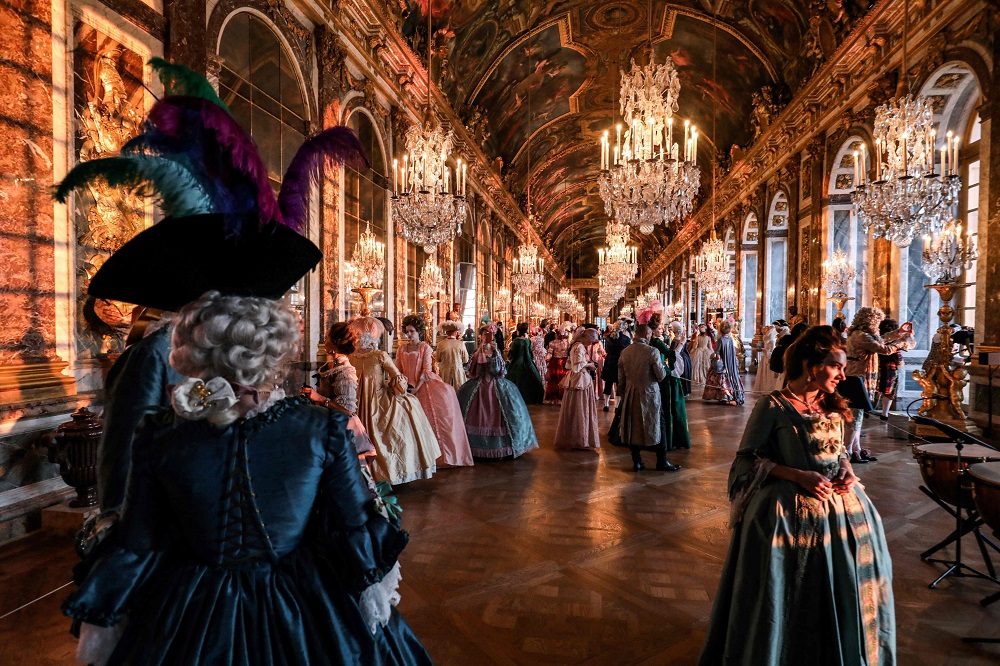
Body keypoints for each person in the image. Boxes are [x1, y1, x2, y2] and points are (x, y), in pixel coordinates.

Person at [63, 292, 431, 666]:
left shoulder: (160, 434)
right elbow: (354, 528)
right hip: (305, 606)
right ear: (274, 353)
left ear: (190, 351)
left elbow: (138, 541)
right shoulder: (322, 429)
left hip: (189, 609)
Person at [699, 325, 894, 665]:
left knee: (845, 585)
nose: (842, 373)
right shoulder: (773, 406)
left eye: (843, 366)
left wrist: (847, 469)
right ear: (809, 365)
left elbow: (839, 452)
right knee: (786, 591)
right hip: (785, 515)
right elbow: (747, 460)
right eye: (835, 365)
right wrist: (797, 475)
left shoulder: (832, 403)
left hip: (842, 509)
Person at [96, 310, 182, 510]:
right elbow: (126, 446)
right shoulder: (151, 355)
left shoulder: (215, 352)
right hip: (156, 506)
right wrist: (118, 514)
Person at [348, 316, 441, 484]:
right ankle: (392, 472)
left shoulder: (351, 357)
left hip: (356, 402)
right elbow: (398, 378)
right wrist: (396, 388)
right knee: (410, 406)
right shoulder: (380, 355)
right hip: (379, 401)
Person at [397, 314, 474, 468]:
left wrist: (416, 389)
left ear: (419, 331)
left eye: (412, 331)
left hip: (423, 386)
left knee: (430, 421)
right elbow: (398, 370)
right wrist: (402, 387)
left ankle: (434, 456)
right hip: (405, 388)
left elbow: (426, 371)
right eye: (407, 331)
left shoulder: (424, 347)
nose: (409, 334)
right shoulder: (401, 348)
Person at [844, 308, 915, 464]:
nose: (878, 325)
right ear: (870, 321)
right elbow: (883, 348)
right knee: (854, 418)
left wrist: (898, 332)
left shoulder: (862, 334)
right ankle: (848, 452)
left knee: (858, 417)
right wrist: (901, 343)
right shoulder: (860, 336)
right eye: (877, 322)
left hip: (862, 379)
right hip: (857, 379)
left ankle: (856, 449)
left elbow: (880, 339)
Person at [456, 324, 538, 459]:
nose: (486, 337)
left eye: (489, 335)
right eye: (484, 334)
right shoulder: (477, 352)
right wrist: (478, 355)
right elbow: (471, 371)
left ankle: (502, 447)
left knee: (503, 413)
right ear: (481, 336)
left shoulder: (496, 351)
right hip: (479, 386)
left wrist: (493, 355)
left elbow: (500, 372)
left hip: (496, 385)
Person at [611, 323, 680, 472]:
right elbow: (660, 376)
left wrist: (623, 394)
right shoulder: (652, 351)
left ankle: (637, 461)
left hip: (630, 392)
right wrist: (663, 367)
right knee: (658, 423)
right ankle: (662, 461)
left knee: (632, 425)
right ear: (647, 335)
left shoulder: (625, 352)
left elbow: (620, 378)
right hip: (649, 393)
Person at [305, 321, 375, 461]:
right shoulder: (330, 365)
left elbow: (347, 410)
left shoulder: (346, 371)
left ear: (336, 343)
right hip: (326, 423)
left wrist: (319, 398)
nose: (324, 341)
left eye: (327, 338)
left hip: (342, 429)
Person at [647, 312, 691, 452]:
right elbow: (671, 354)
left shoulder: (651, 340)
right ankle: (671, 438)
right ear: (653, 329)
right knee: (670, 405)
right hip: (663, 375)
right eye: (660, 328)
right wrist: (682, 343)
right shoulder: (657, 341)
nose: (662, 330)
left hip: (655, 373)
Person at [553, 327, 601, 450]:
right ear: (586, 337)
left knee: (574, 408)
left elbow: (569, 364)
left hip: (577, 379)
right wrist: (590, 365)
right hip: (580, 379)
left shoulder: (575, 345)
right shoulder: (579, 347)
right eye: (591, 341)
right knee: (580, 408)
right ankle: (580, 438)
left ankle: (574, 437)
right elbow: (577, 366)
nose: (591, 344)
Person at [703, 320, 745, 405]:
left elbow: (717, 354)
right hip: (730, 362)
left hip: (722, 363)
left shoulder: (720, 340)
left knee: (719, 378)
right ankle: (731, 394)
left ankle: (723, 396)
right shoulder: (730, 339)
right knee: (729, 377)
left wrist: (712, 356)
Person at [505, 322, 545, 404]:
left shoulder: (516, 341)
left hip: (517, 363)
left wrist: (509, 359)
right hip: (528, 362)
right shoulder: (528, 341)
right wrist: (531, 361)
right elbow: (530, 353)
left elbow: (512, 352)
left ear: (518, 331)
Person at [875, 318, 903, 420]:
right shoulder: (895, 340)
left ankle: (869, 410)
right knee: (889, 391)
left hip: (878, 365)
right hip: (890, 367)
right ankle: (884, 413)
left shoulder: (877, 338)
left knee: (875, 390)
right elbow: (897, 357)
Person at [601, 321, 631, 411]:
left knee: (608, 383)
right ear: (623, 328)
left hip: (609, 361)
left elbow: (606, 350)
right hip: (620, 362)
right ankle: (617, 405)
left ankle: (606, 404)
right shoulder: (626, 339)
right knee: (619, 383)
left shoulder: (608, 338)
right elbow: (627, 352)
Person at [434, 320, 469, 391]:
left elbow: (438, 359)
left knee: (446, 393)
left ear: (446, 332)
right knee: (458, 393)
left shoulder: (440, 344)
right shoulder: (460, 344)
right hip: (458, 372)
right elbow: (466, 359)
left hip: (445, 373)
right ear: (456, 333)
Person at [544, 328, 570, 404]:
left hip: (555, 362)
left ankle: (553, 397)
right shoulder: (568, 342)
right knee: (563, 378)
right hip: (564, 362)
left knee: (554, 379)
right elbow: (569, 353)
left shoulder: (552, 343)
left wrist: (546, 360)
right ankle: (563, 397)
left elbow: (549, 354)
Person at [752, 324, 780, 394]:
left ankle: (768, 389)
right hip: (765, 358)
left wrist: (763, 350)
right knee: (764, 374)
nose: (765, 330)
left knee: (769, 376)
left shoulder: (772, 340)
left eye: (768, 329)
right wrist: (763, 350)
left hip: (768, 358)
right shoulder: (768, 339)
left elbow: (771, 351)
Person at [669, 320, 692, 396]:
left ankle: (681, 391)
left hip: (679, 358)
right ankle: (686, 391)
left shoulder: (675, 340)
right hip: (685, 358)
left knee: (680, 375)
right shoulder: (682, 339)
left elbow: (672, 352)